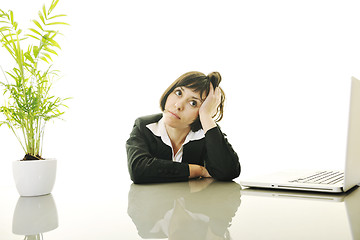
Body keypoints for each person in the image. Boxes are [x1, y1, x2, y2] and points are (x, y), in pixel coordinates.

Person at [126, 71, 240, 183]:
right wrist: (198, 170)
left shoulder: (207, 133)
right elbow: (138, 170)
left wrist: (206, 116)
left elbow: (228, 172)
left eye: (193, 103)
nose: (178, 105)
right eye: (179, 93)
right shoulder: (145, 126)